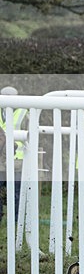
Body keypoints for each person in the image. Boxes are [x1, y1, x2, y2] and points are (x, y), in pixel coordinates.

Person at [0, 86, 27, 222]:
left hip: (18, 159)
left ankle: (17, 220)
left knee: (17, 192)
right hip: (1, 158)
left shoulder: (24, 112)